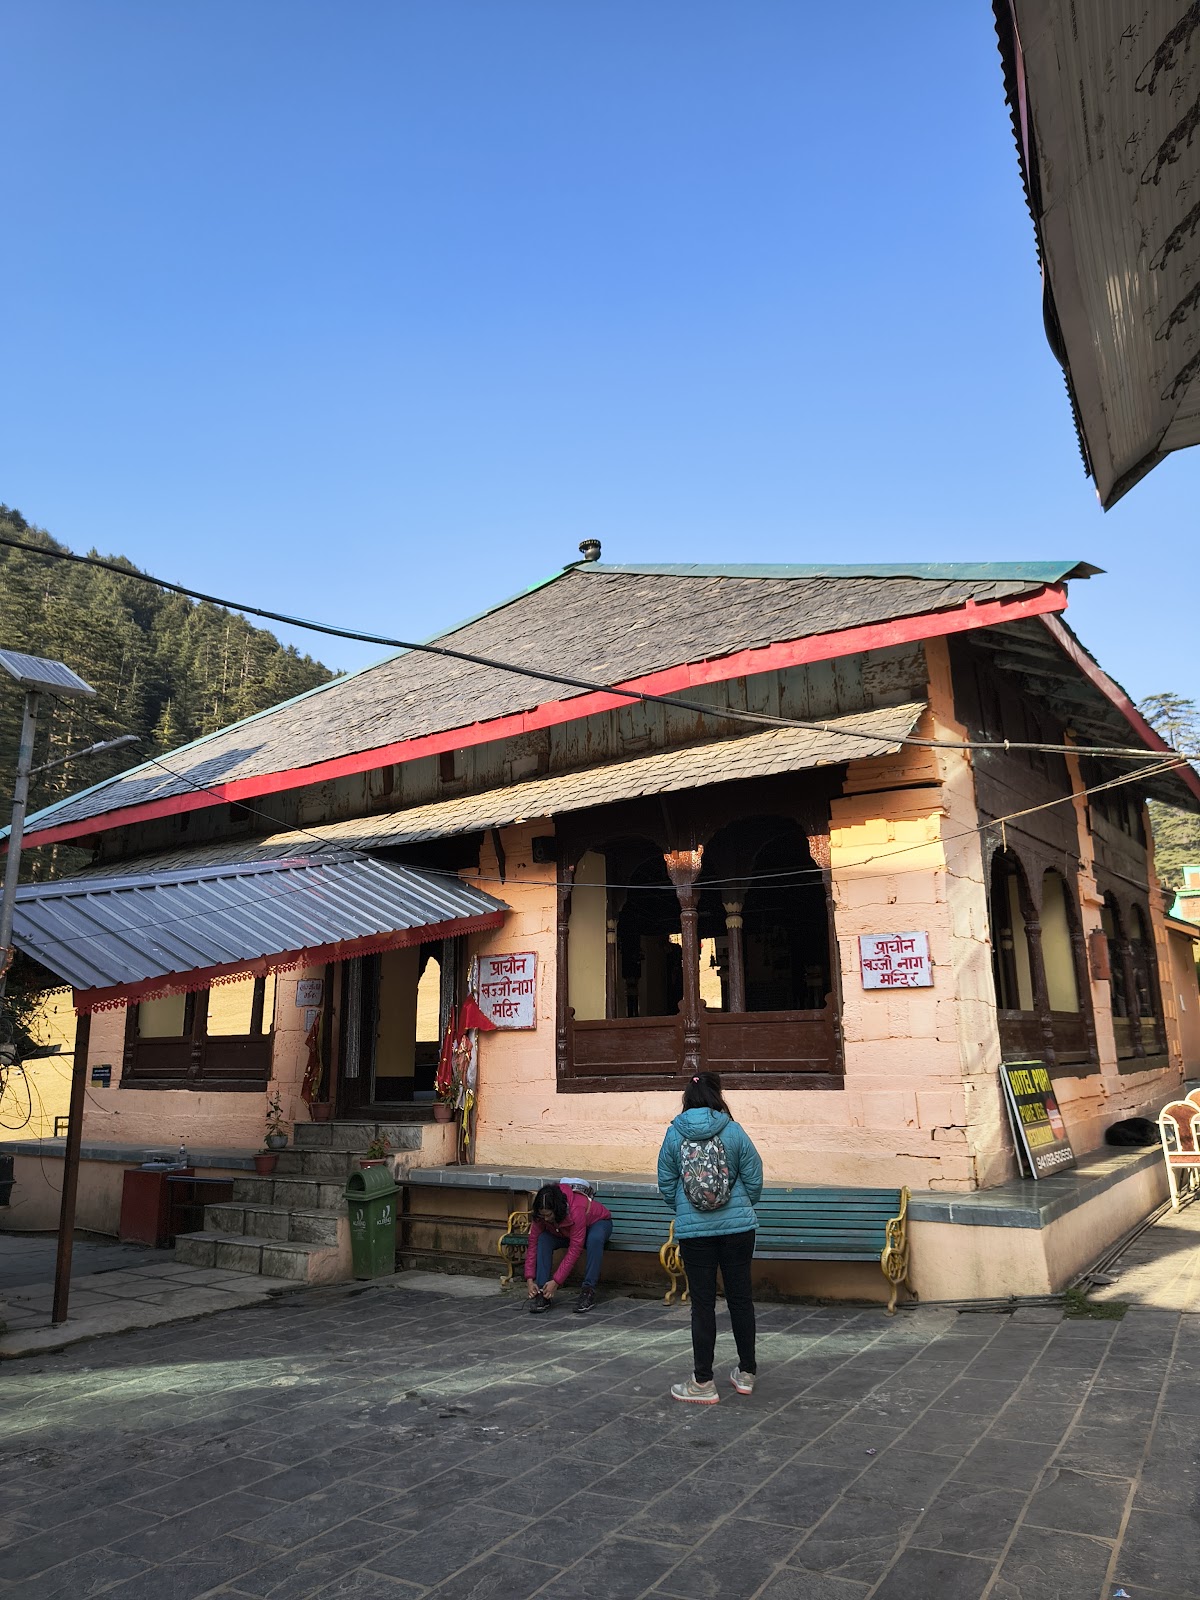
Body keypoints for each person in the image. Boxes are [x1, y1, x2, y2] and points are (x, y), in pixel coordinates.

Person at [657, 1072, 763, 1403]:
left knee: (702, 1304)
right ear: (717, 1097)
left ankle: (703, 1382)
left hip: (695, 1232)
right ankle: (746, 1373)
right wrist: (743, 1202)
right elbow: (755, 1176)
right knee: (741, 1298)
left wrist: (686, 1206)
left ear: (687, 1099)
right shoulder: (732, 1130)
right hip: (738, 1230)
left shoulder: (674, 1134)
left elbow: (665, 1181)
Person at [524, 1181, 613, 1315]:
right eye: (543, 1216)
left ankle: (588, 1290)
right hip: (564, 1232)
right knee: (543, 1239)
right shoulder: (541, 1215)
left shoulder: (576, 1209)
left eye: (549, 1215)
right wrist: (530, 1279)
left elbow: (575, 1249)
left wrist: (556, 1281)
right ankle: (542, 1290)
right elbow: (533, 1243)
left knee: (594, 1240)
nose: (546, 1219)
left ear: (557, 1210)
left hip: (596, 1224)